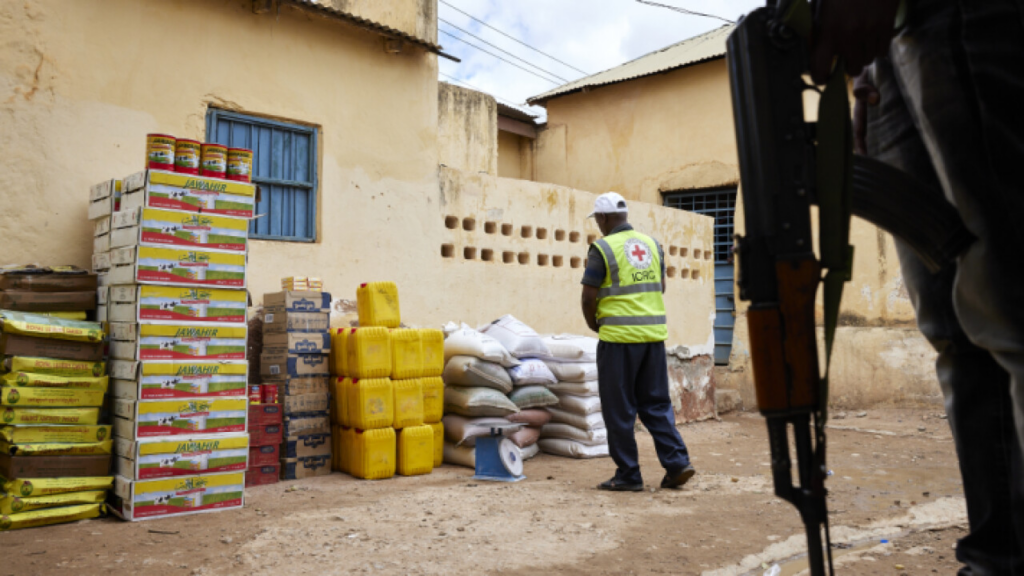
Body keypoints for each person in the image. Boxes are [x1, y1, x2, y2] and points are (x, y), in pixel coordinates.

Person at [810, 1, 1024, 573]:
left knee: (1012, 308)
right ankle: (996, 559)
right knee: (955, 334)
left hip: (956, 14)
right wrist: (865, 75)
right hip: (887, 53)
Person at [579, 192, 695, 492]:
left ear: (603, 218)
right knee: (656, 404)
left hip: (618, 342)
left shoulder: (602, 248)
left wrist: (596, 325)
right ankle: (677, 463)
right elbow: (661, 286)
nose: (599, 226)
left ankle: (628, 474)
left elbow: (588, 296)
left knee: (619, 409)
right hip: (653, 339)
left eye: (599, 220)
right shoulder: (652, 245)